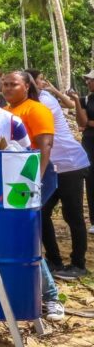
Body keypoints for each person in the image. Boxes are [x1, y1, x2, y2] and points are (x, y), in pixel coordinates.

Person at [1, 70, 65, 321]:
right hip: (13, 182)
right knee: (18, 236)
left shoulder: (35, 110)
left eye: (13, 84)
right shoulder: (6, 110)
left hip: (35, 178)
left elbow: (45, 146)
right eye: (4, 85)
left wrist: (34, 182)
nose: (7, 88)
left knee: (26, 235)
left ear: (26, 86)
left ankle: (51, 297)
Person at [27, 70, 89, 280]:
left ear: (29, 85)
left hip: (70, 164)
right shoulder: (30, 103)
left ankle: (79, 264)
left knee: (73, 216)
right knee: (41, 213)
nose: (43, 83)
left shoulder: (44, 101)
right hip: (52, 166)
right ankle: (54, 261)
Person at [81, 71, 94, 235]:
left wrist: (89, 122)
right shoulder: (86, 100)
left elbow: (86, 122)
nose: (88, 83)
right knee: (91, 181)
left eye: (90, 80)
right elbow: (82, 122)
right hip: (89, 143)